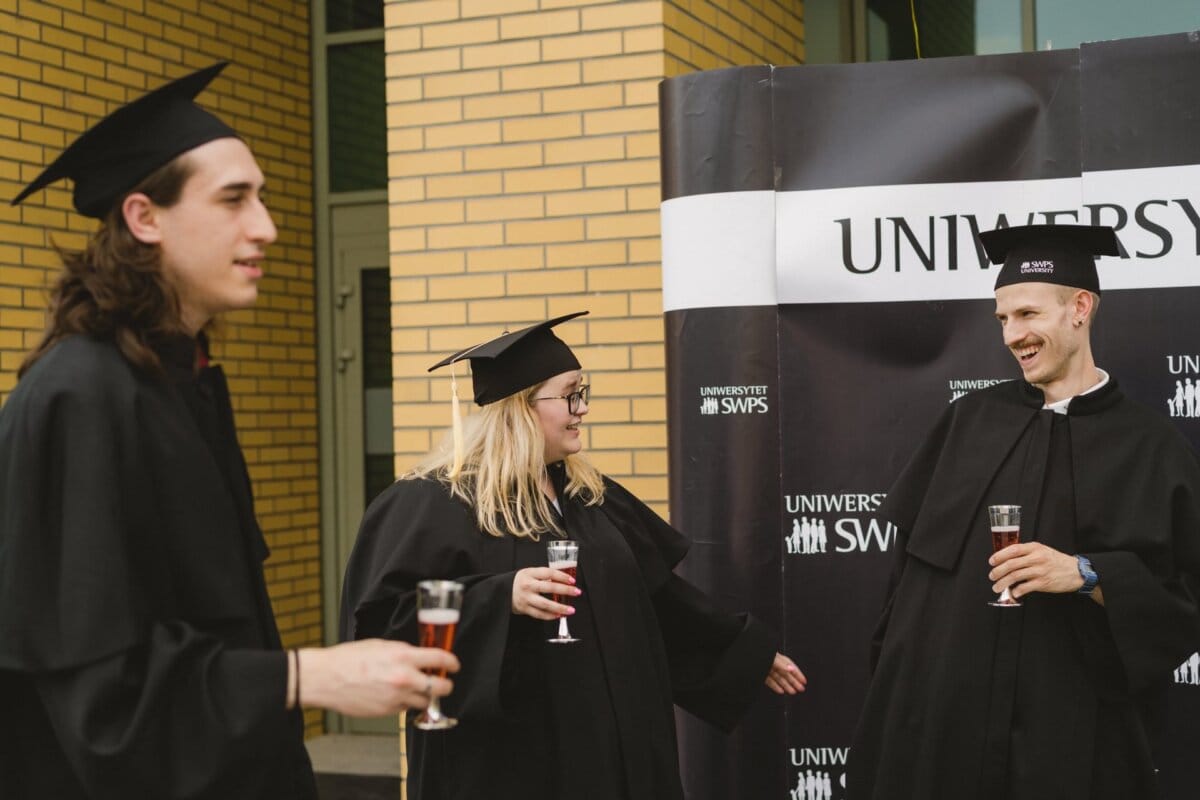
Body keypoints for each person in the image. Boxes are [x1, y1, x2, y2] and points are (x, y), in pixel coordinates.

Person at [0, 63, 458, 799]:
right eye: (234, 199)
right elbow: (99, 698)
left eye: (263, 198)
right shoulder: (78, 398)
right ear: (144, 218)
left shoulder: (187, 381)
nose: (267, 228)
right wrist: (310, 676)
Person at [340, 311, 807, 800]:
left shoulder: (590, 496)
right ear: (519, 407)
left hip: (613, 760)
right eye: (570, 395)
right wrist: (499, 597)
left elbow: (657, 603)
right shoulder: (434, 504)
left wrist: (742, 650)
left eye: (582, 393)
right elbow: (381, 624)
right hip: (507, 768)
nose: (582, 409)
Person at [848, 224, 1200, 799]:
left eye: (1028, 314)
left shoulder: (1152, 448)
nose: (1013, 334)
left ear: (1080, 308)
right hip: (941, 738)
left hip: (1071, 746)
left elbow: (1185, 598)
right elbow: (902, 588)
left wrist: (1089, 575)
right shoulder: (967, 422)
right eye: (1003, 319)